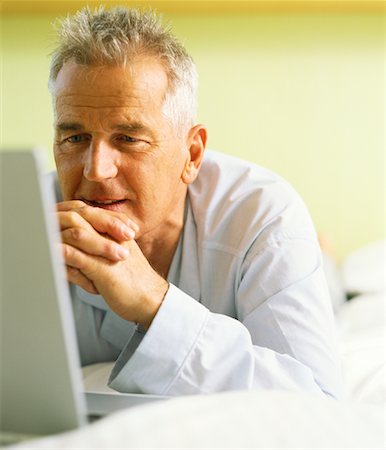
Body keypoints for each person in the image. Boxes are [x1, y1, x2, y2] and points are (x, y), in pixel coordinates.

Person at [49, 6, 342, 398]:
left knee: (330, 284)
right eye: (75, 138)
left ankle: (328, 259)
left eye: (128, 139)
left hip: (299, 262)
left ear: (191, 154)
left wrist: (154, 302)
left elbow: (320, 403)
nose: (96, 171)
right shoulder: (28, 218)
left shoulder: (263, 215)